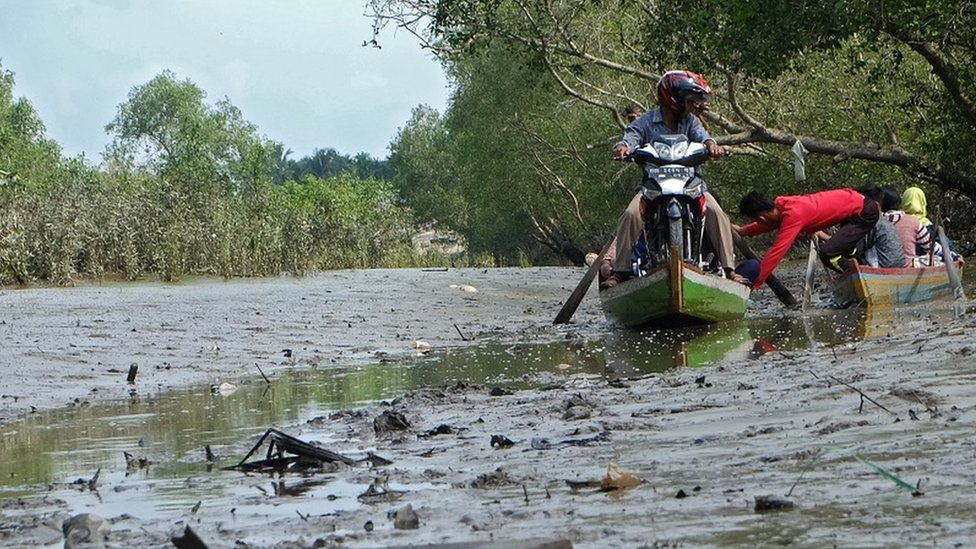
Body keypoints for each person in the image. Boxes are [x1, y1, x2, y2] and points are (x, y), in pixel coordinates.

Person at [600, 70, 742, 288]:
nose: (695, 105)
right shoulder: (646, 122)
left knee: (716, 213)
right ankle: (620, 272)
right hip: (653, 185)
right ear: (674, 99)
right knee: (630, 215)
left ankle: (730, 270)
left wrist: (712, 146)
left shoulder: (691, 122)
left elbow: (705, 138)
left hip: (691, 184)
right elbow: (631, 137)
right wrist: (623, 147)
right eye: (691, 100)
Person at [735, 188, 881, 290]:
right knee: (843, 248)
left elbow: (777, 252)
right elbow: (769, 224)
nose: (759, 223)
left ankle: (863, 279)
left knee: (827, 253)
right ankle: (861, 267)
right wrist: (744, 231)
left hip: (864, 212)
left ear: (761, 217)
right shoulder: (781, 205)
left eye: (758, 220)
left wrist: (757, 282)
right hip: (854, 205)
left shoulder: (793, 215)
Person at [854, 186, 906, 268]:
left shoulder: (873, 223)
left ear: (875, 205)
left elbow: (856, 249)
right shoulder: (885, 222)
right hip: (899, 267)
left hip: (881, 268)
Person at [879, 185, 930, 266]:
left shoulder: (874, 222)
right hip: (908, 268)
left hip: (879, 268)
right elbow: (930, 247)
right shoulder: (915, 222)